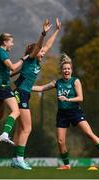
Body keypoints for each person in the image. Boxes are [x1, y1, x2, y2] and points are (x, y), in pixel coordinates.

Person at [32, 53, 99, 169]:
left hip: (75, 112)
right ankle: (67, 165)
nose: (66, 70)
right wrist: (26, 87)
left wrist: (68, 99)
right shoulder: (57, 82)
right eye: (64, 69)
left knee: (89, 134)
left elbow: (80, 98)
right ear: (61, 70)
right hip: (62, 115)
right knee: (60, 141)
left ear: (71, 70)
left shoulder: (75, 81)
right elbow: (41, 88)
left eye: (68, 69)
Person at [11, 18, 61, 170]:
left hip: (22, 93)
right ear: (34, 52)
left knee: (20, 129)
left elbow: (47, 46)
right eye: (40, 51)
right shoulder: (32, 59)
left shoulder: (37, 60)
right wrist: (43, 33)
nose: (43, 52)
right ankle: (20, 159)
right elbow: (40, 45)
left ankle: (15, 159)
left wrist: (57, 31)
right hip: (20, 94)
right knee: (27, 128)